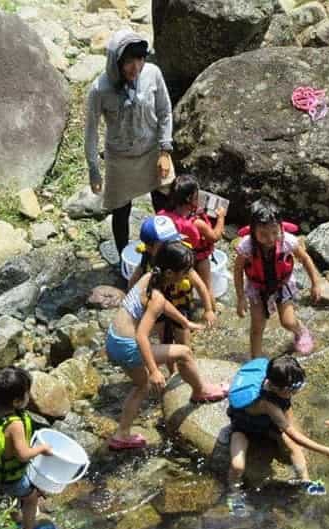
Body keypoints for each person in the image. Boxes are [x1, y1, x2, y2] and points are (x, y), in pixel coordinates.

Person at [106, 240, 228, 451]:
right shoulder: (156, 296)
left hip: (113, 339)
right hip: (128, 344)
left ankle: (121, 434)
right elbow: (142, 336)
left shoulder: (149, 277)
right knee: (185, 353)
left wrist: (184, 321)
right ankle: (200, 391)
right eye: (185, 271)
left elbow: (164, 305)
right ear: (171, 273)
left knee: (140, 386)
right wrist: (154, 370)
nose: (188, 275)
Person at [84, 30, 174, 254]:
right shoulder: (99, 89)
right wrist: (94, 170)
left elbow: (165, 112)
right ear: (116, 62)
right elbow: (91, 131)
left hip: (153, 151)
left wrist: (165, 150)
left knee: (164, 203)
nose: (136, 67)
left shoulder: (152, 74)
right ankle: (125, 258)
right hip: (120, 158)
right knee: (121, 211)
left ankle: (166, 253)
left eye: (140, 59)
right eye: (129, 62)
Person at [227, 356, 329, 491]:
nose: (297, 391)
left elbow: (288, 412)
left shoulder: (274, 383)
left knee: (294, 448)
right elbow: (292, 433)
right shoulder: (268, 405)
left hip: (267, 426)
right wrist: (327, 451)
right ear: (280, 389)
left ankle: (305, 481)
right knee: (238, 466)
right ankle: (233, 493)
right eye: (295, 389)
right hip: (243, 428)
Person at [0, 367, 58, 529]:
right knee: (31, 499)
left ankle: (17, 518)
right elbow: (24, 455)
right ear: (17, 401)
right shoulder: (15, 424)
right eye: (27, 393)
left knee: (9, 495)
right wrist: (42, 449)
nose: (29, 397)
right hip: (12, 478)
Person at [234, 199, 322, 358]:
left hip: (282, 284)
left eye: (275, 232)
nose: (270, 238)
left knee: (287, 321)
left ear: (280, 227)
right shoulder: (246, 246)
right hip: (257, 287)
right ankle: (256, 361)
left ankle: (300, 331)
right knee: (257, 326)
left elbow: (306, 259)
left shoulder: (288, 241)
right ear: (253, 231)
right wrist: (240, 297)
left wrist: (315, 283)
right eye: (264, 234)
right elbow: (238, 270)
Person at [127, 215, 217, 347]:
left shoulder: (178, 257)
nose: (173, 245)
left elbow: (200, 285)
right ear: (149, 247)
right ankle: (171, 365)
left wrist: (208, 309)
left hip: (180, 305)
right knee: (164, 340)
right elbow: (135, 278)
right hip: (158, 307)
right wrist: (131, 302)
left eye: (174, 239)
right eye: (166, 242)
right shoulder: (147, 257)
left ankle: (185, 357)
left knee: (183, 340)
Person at [160, 174, 226, 300]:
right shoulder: (197, 222)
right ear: (190, 198)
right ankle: (211, 311)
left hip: (177, 257)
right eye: (197, 196)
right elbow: (215, 237)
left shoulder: (167, 214)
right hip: (199, 257)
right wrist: (221, 217)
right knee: (206, 288)